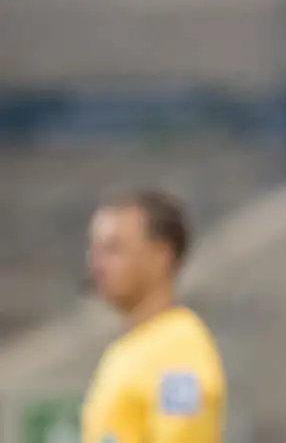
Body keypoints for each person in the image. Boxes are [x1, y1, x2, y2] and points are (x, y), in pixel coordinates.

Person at [82, 189, 226, 443]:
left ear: (161, 256)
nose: (96, 265)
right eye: (95, 250)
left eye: (114, 249)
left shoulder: (179, 354)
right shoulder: (130, 347)